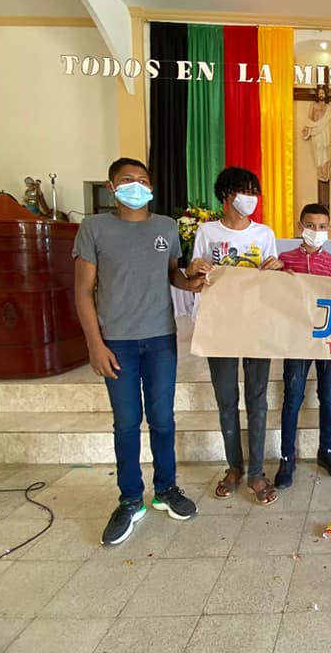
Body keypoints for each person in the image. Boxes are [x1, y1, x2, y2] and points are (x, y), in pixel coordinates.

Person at [74, 157, 203, 545]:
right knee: (127, 422)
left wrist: (191, 281)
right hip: (118, 343)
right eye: (127, 179)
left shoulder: (165, 227)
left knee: (163, 419)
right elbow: (83, 291)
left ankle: (166, 488)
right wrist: (95, 344)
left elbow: (172, 273)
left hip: (160, 338)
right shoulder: (95, 228)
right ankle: (130, 499)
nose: (136, 185)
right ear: (112, 187)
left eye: (143, 180)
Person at [187, 167, 283, 507]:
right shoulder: (207, 231)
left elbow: (272, 280)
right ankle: (234, 467)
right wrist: (194, 270)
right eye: (244, 191)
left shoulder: (264, 233)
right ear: (226, 196)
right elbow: (194, 273)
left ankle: (256, 472)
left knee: (257, 397)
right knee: (226, 398)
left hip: (255, 322)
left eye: (254, 191)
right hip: (220, 324)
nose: (250, 198)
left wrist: (275, 271)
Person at [275, 203, 331, 488]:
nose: (316, 231)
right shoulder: (284, 260)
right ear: (299, 226)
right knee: (293, 397)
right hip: (296, 341)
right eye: (310, 225)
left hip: (328, 342)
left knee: (328, 397)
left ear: (328, 229)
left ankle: (326, 450)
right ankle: (287, 457)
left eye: (322, 226)